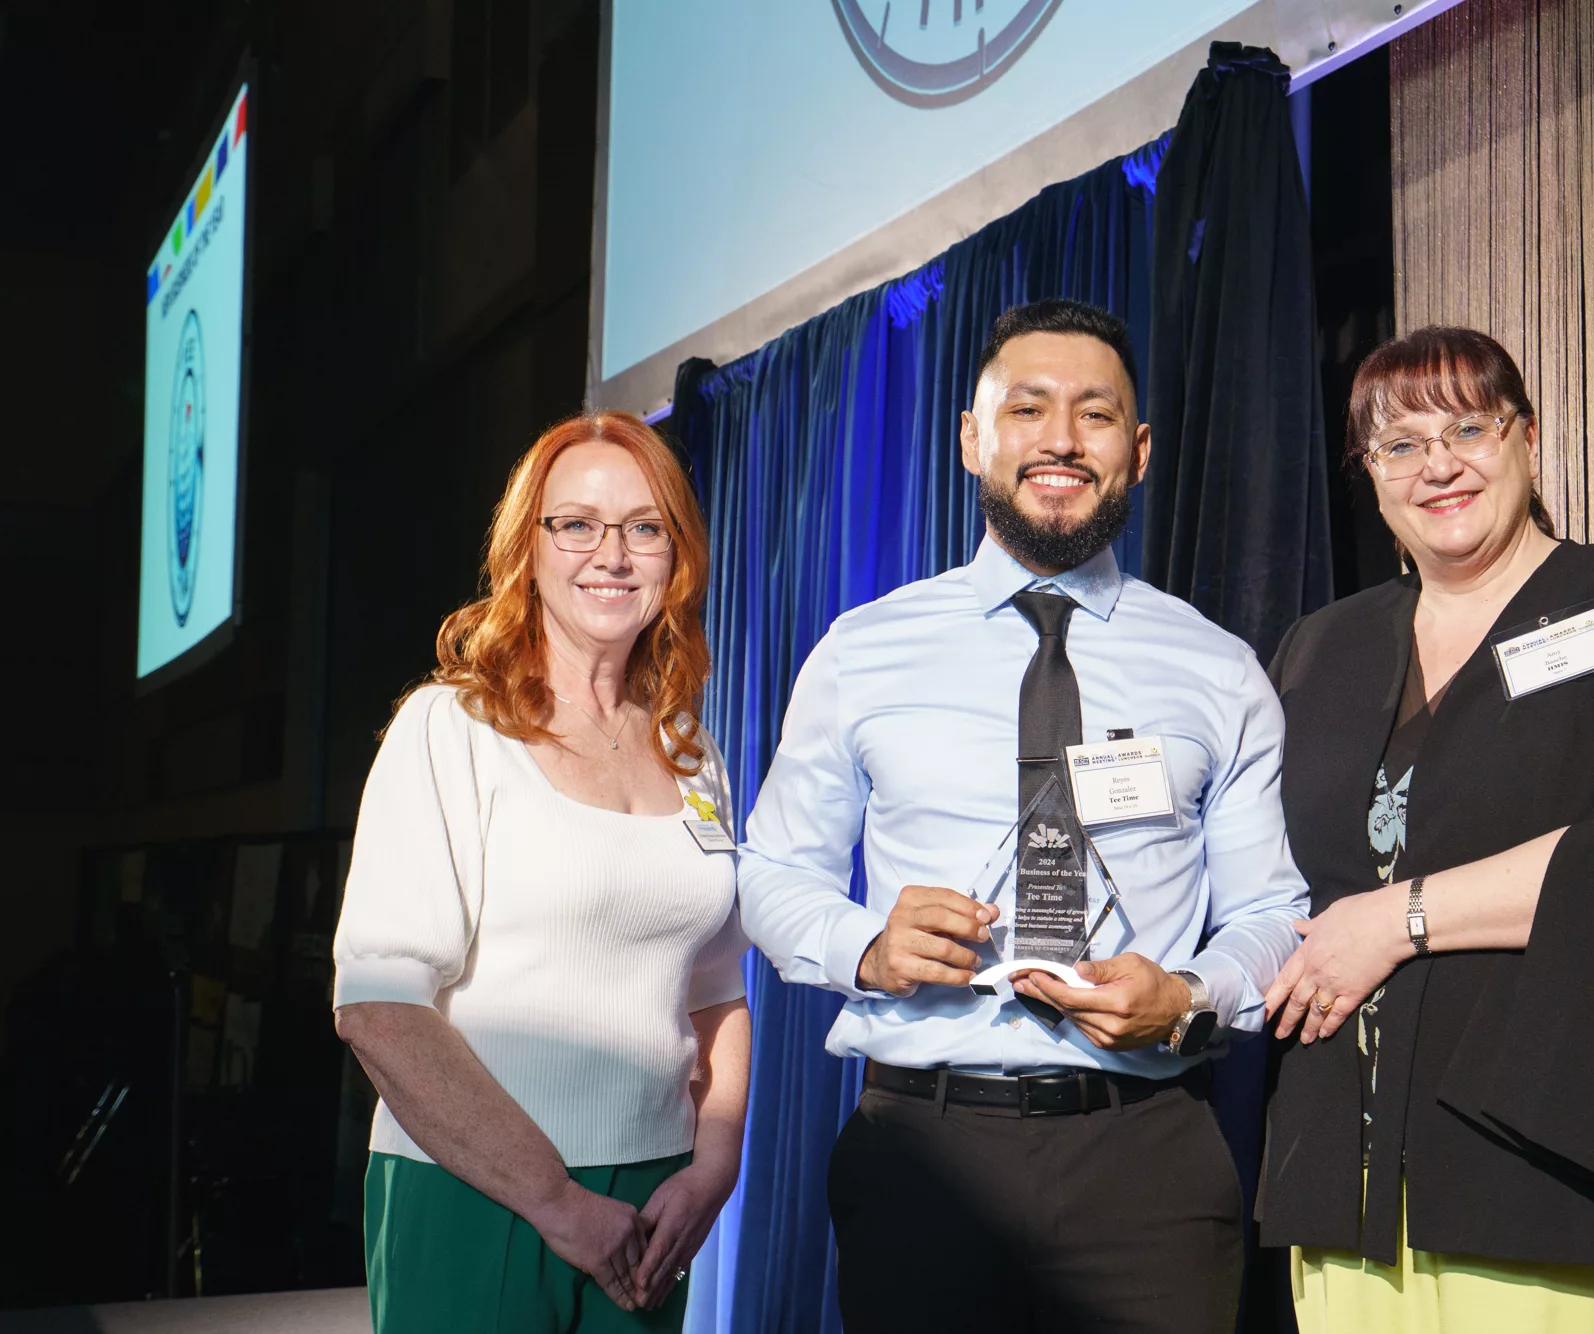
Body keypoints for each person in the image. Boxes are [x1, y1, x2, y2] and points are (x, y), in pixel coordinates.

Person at [737, 298, 1310, 1334]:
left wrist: (1187, 992)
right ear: (970, 438)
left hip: (1148, 1158)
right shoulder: (860, 649)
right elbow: (771, 875)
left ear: (1134, 451)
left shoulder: (1218, 668)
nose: (1057, 439)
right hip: (923, 1150)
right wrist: (865, 943)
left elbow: (1272, 905)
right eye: (1025, 408)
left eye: (1093, 415)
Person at [1257, 327, 1594, 1331]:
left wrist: (1398, 916)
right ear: (1370, 476)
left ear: (1526, 437)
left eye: (1467, 427)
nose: (1438, 463)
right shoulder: (1321, 645)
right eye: (1398, 444)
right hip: (1342, 1175)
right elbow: (1269, 874)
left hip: (1539, 1150)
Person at [331, 412, 751, 1333]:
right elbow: (378, 1011)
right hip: (479, 1189)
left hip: (652, 1204)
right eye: (578, 525)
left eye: (645, 527)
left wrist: (713, 1166)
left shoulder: (693, 749)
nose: (613, 554)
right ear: (528, 546)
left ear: (676, 557)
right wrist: (557, 1200)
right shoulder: (451, 729)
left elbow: (718, 992)